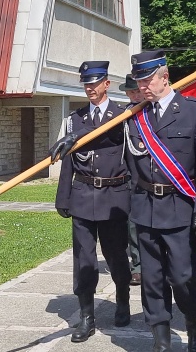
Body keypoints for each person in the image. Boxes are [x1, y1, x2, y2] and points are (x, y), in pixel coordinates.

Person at [125, 51, 196, 352]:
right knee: (152, 279)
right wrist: (74, 139)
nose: (142, 86)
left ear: (165, 77)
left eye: (147, 80)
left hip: (180, 208)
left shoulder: (193, 111)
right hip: (145, 207)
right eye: (139, 81)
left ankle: (194, 322)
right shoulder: (134, 115)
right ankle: (160, 337)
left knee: (182, 277)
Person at [52, 61, 132, 343]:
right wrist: (63, 196)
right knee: (83, 259)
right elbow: (69, 160)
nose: (90, 88)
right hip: (83, 196)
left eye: (95, 83)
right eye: (86, 83)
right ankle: (86, 316)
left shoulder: (122, 115)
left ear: (106, 84)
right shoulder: (75, 118)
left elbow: (127, 152)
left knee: (116, 255)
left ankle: (123, 298)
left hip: (114, 197)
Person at [119, 74, 143, 287]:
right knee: (133, 226)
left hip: (158, 178)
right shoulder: (123, 116)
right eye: (132, 91)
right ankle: (138, 267)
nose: (136, 95)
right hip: (131, 179)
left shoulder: (154, 112)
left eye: (138, 90)